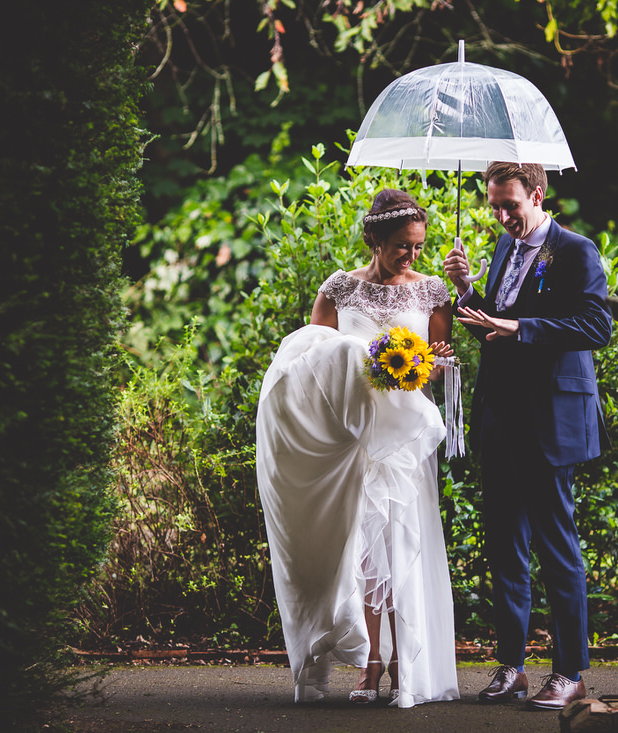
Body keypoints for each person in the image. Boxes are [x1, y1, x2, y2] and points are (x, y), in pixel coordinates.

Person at [256, 189, 461, 708]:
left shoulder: (433, 292)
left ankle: (406, 668)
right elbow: (310, 363)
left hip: (403, 443)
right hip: (351, 444)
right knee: (365, 551)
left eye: (417, 246)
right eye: (401, 246)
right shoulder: (339, 289)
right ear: (374, 239)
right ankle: (371, 663)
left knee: (400, 543)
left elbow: (441, 361)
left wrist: (424, 366)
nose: (411, 255)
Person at [442, 162, 612, 711]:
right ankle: (511, 667)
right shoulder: (501, 249)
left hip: (550, 419)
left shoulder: (576, 250)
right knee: (505, 546)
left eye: (510, 205)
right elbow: (495, 319)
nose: (500, 215)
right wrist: (469, 290)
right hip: (501, 416)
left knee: (557, 546)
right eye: (494, 205)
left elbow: (596, 326)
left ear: (537, 195)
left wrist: (522, 328)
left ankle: (569, 673)